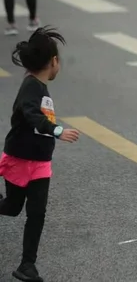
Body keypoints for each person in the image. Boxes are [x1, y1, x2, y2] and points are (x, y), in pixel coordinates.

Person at [0, 26, 80, 282]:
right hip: (20, 158)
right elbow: (33, 116)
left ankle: (27, 265)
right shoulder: (31, 88)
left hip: (40, 163)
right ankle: (27, 264)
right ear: (53, 62)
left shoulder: (39, 86)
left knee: (37, 212)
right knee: (13, 208)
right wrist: (56, 130)